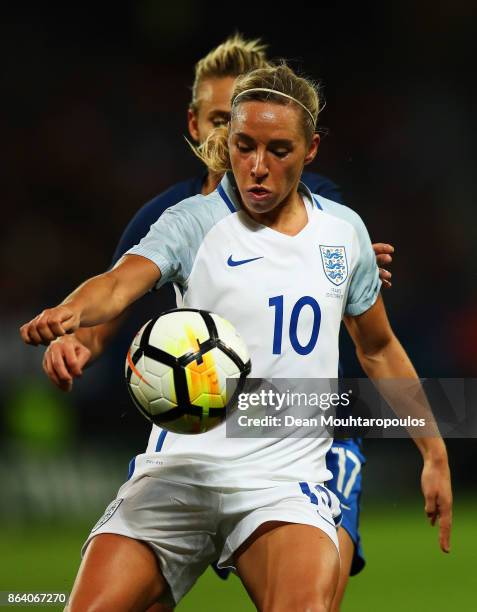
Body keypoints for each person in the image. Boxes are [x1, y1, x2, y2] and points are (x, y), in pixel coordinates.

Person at [21, 62, 452, 612]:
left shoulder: (344, 234)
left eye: (279, 150)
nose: (257, 168)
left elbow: (378, 348)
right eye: (244, 146)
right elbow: (118, 285)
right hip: (179, 469)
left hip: (282, 478)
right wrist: (69, 310)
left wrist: (433, 451)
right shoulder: (191, 222)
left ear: (312, 149)